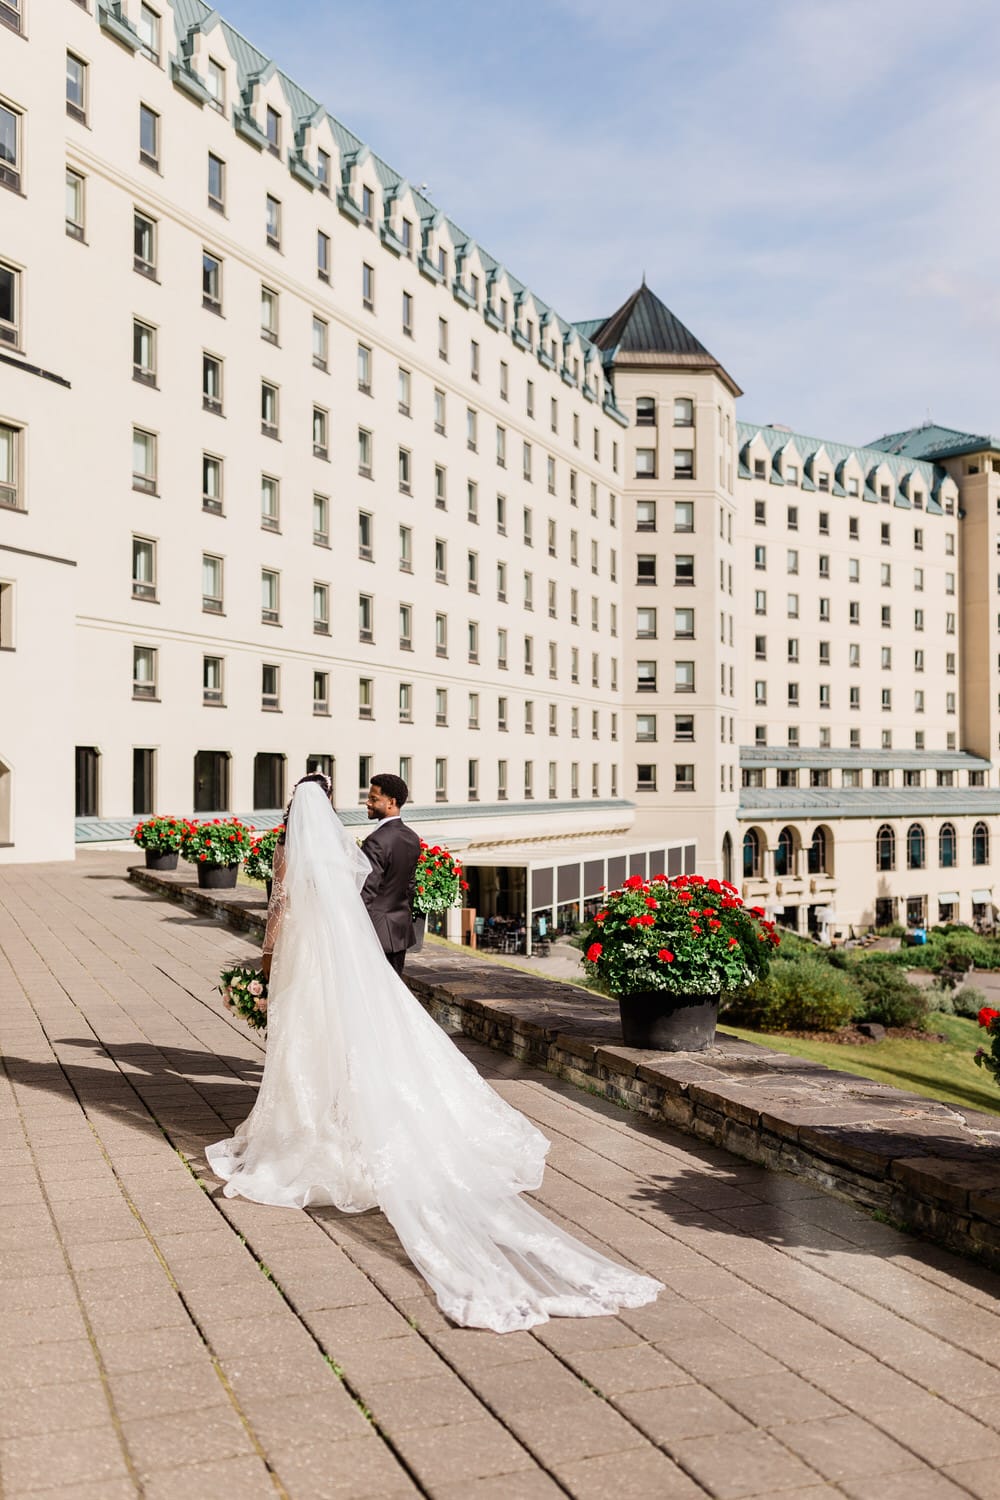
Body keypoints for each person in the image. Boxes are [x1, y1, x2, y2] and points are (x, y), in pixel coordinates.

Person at [206, 778, 661, 1333]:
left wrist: (264, 964)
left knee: (310, 1048)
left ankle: (320, 1128)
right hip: (355, 955)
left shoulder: (291, 849)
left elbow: (281, 912)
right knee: (355, 1042)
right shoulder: (350, 847)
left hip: (308, 962)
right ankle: (345, 1118)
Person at [360, 773, 422, 975]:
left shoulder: (376, 841)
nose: (367, 803)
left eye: (373, 799)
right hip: (399, 932)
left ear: (391, 802)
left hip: (375, 935)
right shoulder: (412, 837)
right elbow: (409, 887)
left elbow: (366, 892)